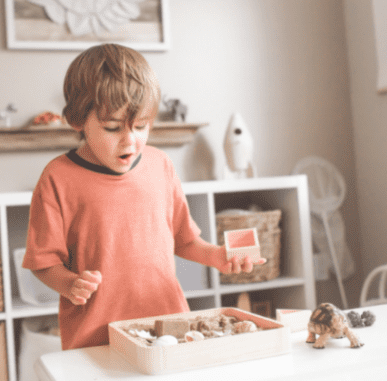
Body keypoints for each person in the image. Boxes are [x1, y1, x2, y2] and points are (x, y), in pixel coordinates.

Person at [22, 43, 266, 350]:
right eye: (112, 128)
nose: (131, 140)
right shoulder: (58, 177)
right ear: (78, 120)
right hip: (96, 338)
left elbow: (185, 240)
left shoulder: (160, 165)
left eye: (141, 126)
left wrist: (217, 257)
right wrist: (69, 284)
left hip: (168, 328)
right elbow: (42, 261)